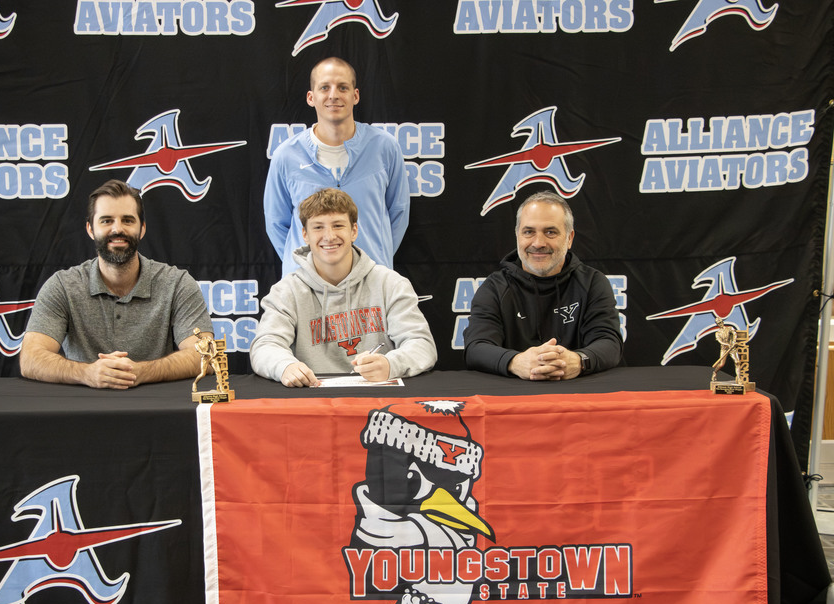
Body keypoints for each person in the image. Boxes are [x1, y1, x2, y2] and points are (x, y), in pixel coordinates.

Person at [21, 179, 212, 389]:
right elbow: (30, 359)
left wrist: (140, 372)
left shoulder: (177, 284)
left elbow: (206, 355)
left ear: (142, 229)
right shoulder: (62, 286)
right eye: (106, 221)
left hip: (157, 410)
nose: (117, 229)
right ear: (90, 229)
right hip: (80, 410)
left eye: (128, 220)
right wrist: (87, 373)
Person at [251, 188, 436, 387]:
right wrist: (285, 366)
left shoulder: (390, 284)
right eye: (318, 227)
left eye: (338, 225)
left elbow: (422, 345)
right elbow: (264, 346)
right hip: (312, 402)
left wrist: (391, 364)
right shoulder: (286, 291)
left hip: (379, 401)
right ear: (305, 234)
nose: (329, 236)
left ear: (354, 231)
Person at [264, 57, 410, 276]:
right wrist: (307, 266)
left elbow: (398, 213)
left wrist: (376, 258)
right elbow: (277, 224)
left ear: (355, 95)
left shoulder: (384, 147)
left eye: (343, 87)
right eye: (325, 87)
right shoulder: (286, 156)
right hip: (306, 285)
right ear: (311, 97)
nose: (334, 95)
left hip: (371, 281)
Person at [463, 191, 622, 381]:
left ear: (569, 238)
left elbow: (609, 342)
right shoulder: (494, 288)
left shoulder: (593, 282)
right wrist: (515, 361)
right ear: (517, 235)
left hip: (579, 398)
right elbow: (476, 347)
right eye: (529, 232)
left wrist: (579, 360)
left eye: (550, 232)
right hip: (511, 399)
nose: (538, 243)